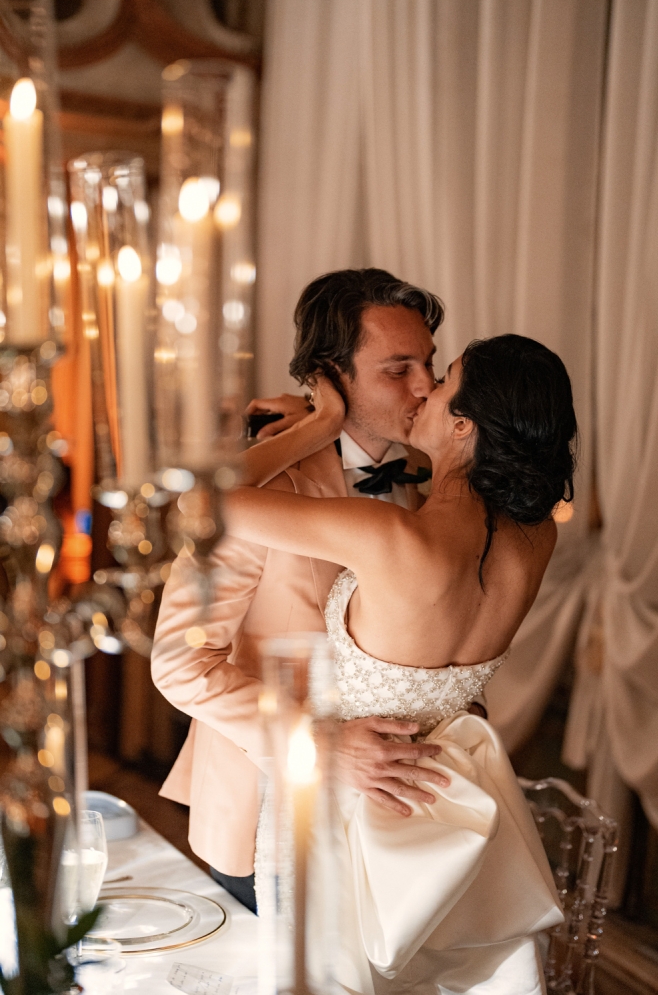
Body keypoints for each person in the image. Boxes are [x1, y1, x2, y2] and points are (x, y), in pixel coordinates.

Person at [226, 333, 576, 995]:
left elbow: (203, 503)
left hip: (349, 806)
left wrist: (321, 423)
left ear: (464, 423)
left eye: (443, 381)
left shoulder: (389, 534)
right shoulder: (538, 537)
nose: (424, 391)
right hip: (450, 802)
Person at [152, 268, 488, 914]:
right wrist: (318, 744)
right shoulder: (261, 491)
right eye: (398, 369)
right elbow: (179, 663)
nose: (425, 386)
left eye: (428, 364)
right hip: (267, 815)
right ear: (333, 376)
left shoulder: (432, 485)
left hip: (395, 823)